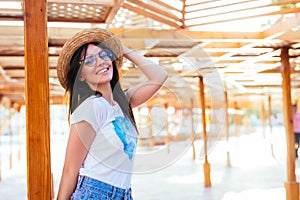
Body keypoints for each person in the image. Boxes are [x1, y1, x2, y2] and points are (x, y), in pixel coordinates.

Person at [56, 28, 168, 200]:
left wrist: (122, 49)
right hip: (94, 193)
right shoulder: (91, 108)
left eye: (103, 55)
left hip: (123, 194)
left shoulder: (123, 103)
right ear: (81, 77)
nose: (100, 62)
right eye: (89, 61)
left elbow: (159, 76)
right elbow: (70, 169)